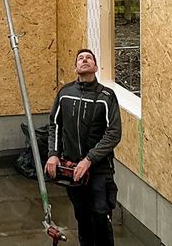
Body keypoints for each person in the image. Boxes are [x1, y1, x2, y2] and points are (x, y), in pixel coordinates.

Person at [45, 48, 121, 246]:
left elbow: (113, 133)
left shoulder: (106, 97)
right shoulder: (65, 94)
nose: (84, 60)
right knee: (82, 217)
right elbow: (54, 124)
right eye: (80, 58)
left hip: (99, 170)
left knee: (100, 214)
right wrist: (53, 154)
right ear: (76, 67)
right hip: (72, 170)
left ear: (95, 67)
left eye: (89, 58)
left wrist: (89, 160)